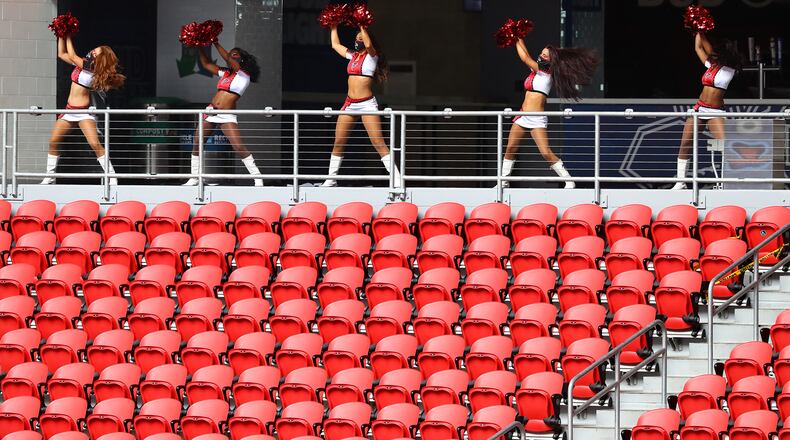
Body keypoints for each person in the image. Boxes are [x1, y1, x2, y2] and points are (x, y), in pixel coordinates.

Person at [502, 38, 597, 188]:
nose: (541, 56)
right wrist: (517, 37)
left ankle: (569, 180)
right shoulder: (536, 71)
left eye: (545, 55)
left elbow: (525, 58)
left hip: (536, 118)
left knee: (545, 152)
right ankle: (503, 182)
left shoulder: (546, 73)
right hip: (522, 115)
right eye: (541, 53)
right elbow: (526, 54)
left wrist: (516, 37)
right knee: (510, 148)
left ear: (552, 60)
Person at [321, 25, 400, 187]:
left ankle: (398, 179)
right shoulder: (353, 56)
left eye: (361, 38)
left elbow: (369, 46)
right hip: (350, 103)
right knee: (339, 142)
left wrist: (362, 25)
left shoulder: (373, 56)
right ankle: (331, 179)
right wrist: (333, 26)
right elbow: (335, 45)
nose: (358, 41)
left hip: (366, 104)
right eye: (356, 39)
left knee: (378, 141)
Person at [44, 35, 125, 184]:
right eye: (94, 50)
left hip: (83, 112)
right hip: (69, 111)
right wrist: (61, 34)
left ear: (101, 59)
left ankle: (111, 175)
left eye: (97, 52)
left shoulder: (91, 68)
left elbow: (73, 56)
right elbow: (62, 54)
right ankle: (50, 176)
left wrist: (68, 34)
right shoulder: (83, 64)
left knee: (95, 144)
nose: (93, 51)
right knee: (53, 141)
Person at [184, 41, 263, 186]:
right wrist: (199, 46)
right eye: (230, 53)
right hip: (211, 111)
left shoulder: (243, 74)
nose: (231, 56)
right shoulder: (226, 73)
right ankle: (194, 177)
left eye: (235, 54)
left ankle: (257, 177)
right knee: (197, 142)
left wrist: (215, 42)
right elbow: (206, 64)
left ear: (241, 59)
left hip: (227, 115)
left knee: (238, 147)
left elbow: (227, 58)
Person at [673, 32, 739, 189]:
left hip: (715, 111)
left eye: (717, 52)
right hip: (699, 108)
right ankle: (681, 182)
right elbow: (698, 47)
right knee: (685, 143)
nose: (713, 54)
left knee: (725, 146)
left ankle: (732, 181)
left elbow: (708, 49)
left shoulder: (730, 69)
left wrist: (703, 33)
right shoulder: (711, 66)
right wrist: (699, 30)